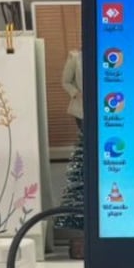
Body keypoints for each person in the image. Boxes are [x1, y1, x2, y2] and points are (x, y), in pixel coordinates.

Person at [55, 48, 86, 235]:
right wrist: (76, 93)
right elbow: (65, 81)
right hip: (82, 109)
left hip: (108, 107)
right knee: (85, 150)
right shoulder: (75, 57)